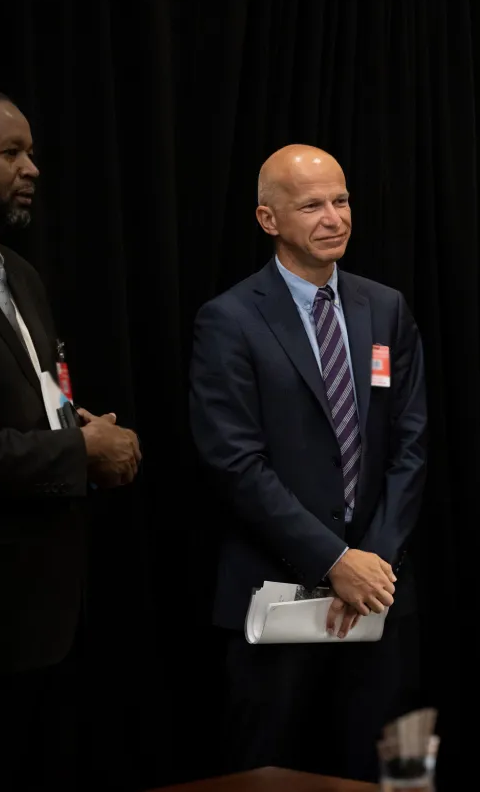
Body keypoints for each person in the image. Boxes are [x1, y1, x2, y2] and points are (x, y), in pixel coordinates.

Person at [189, 144, 428, 782]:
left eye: (342, 200)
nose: (335, 218)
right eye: (313, 205)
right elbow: (234, 464)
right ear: (269, 220)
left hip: (378, 600)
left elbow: (411, 443)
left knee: (384, 774)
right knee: (268, 774)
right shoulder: (230, 320)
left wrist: (369, 562)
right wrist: (333, 560)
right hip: (275, 599)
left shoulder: (386, 309)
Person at [0, 88, 142, 784]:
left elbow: (39, 399)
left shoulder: (21, 276)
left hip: (47, 613)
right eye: (10, 153)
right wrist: (78, 452)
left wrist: (90, 433)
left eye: (32, 151)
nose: (32, 167)